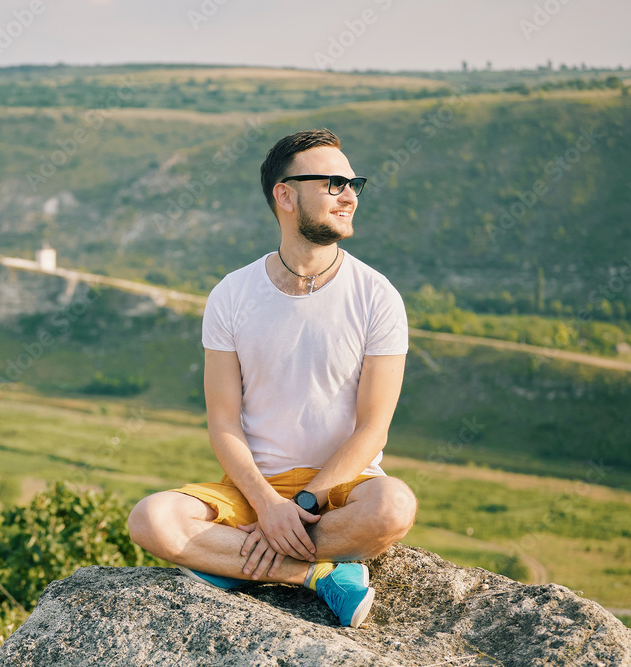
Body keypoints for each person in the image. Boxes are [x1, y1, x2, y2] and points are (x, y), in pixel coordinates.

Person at [128, 129, 417, 629]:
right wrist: (267, 505)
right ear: (285, 194)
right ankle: (316, 574)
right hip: (253, 489)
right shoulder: (232, 295)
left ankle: (237, 561)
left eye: (354, 184)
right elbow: (223, 424)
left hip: (344, 490)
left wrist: (301, 506)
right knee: (150, 519)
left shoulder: (378, 296)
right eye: (332, 183)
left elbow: (373, 430)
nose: (349, 195)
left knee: (394, 507)